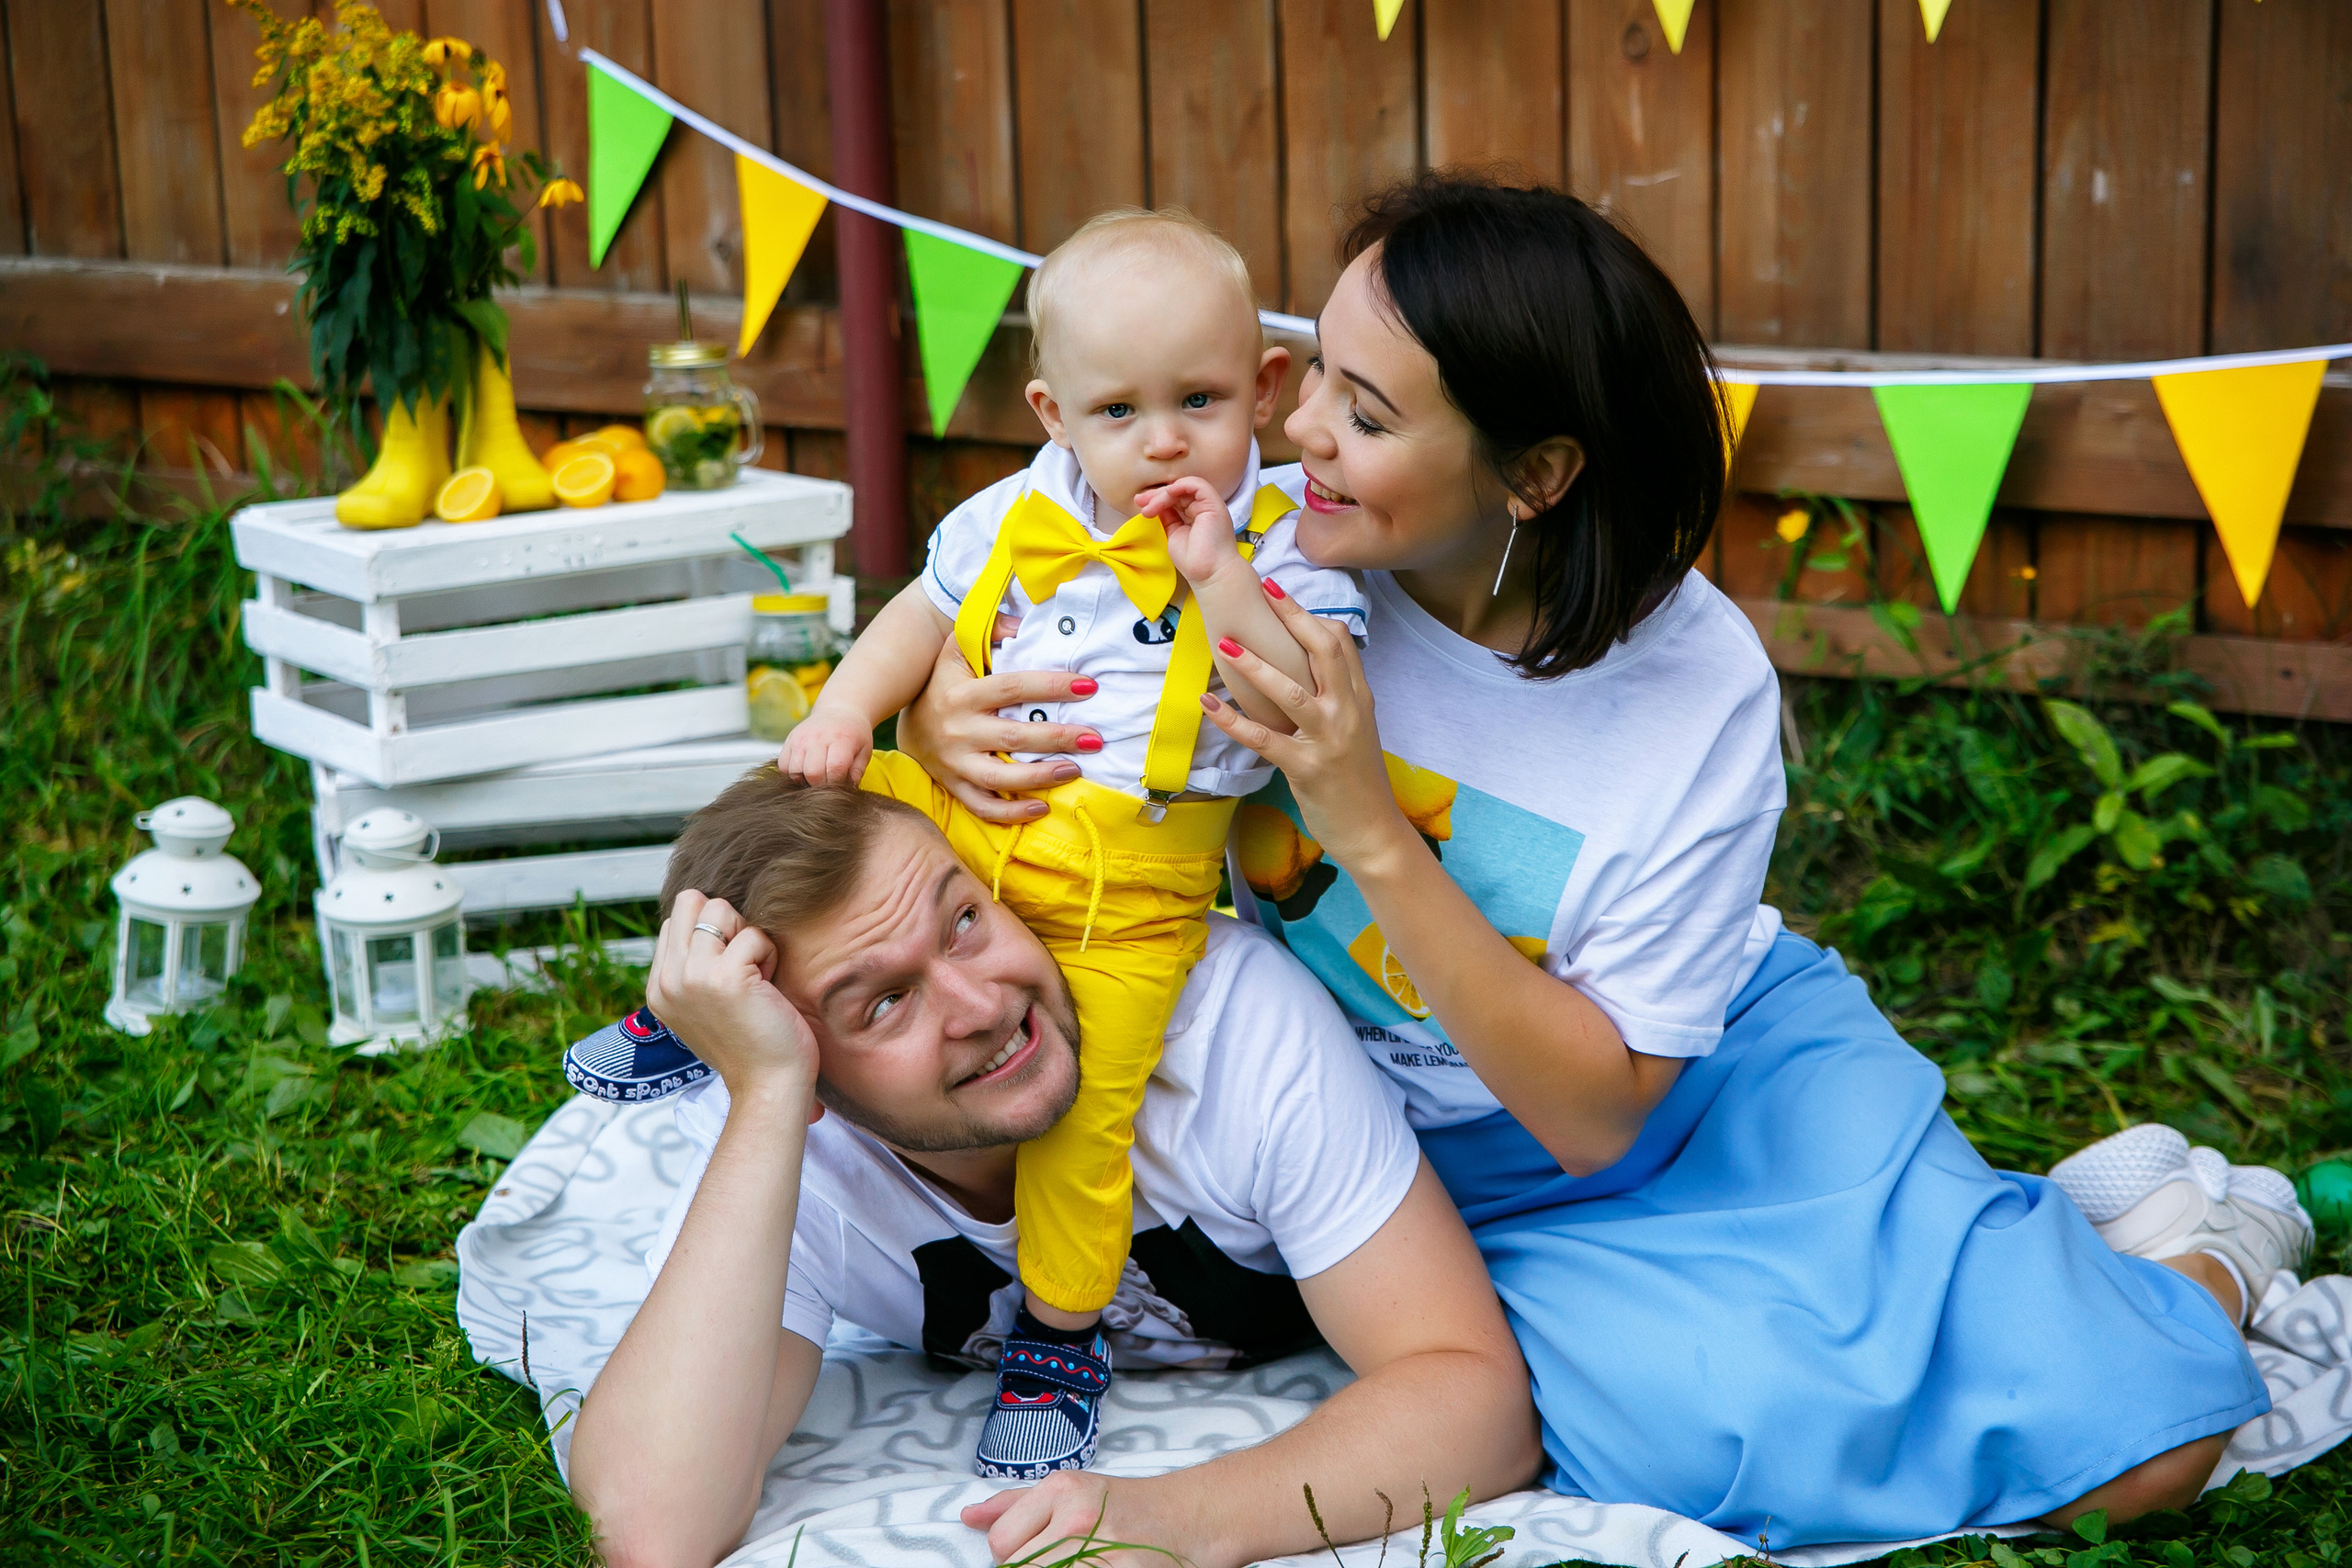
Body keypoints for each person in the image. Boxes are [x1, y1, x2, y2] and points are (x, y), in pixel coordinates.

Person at [893, 171, 2313, 1551]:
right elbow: (998, 598)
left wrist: (1365, 821)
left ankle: (2213, 1245)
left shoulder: (1695, 686)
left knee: (2142, 1454)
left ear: (1537, 472)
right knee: (1686, 1437)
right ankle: (2031, 1245)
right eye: (1312, 374)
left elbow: (1601, 1117)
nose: (1296, 427)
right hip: (1441, 1162)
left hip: (1690, 1083)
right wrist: (935, 705)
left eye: (1366, 413)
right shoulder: (1237, 537)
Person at [562, 770, 1540, 1568]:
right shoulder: (775, 1131)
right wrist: (772, 1102)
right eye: (884, 1002)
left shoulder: (1225, 1030)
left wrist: (1190, 1518)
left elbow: (1476, 1403)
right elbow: (652, 1529)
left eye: (962, 922)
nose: (981, 1005)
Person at [776, 208, 1365, 1479]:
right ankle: (711, 979)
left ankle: (1059, 1332)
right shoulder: (1015, 509)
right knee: (810, 823)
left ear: (1264, 388)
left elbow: (1290, 702)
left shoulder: (1289, 543)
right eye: (1118, 414)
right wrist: (844, 708)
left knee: (1086, 1114)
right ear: (1052, 414)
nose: (1162, 440)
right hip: (978, 817)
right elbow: (915, 620)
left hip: (1133, 886)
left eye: (1200, 399)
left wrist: (1215, 569)